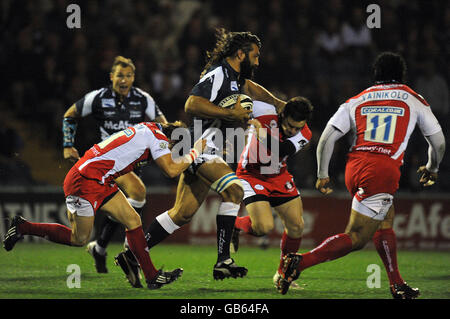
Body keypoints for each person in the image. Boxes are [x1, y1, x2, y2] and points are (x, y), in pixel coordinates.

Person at [115, 28, 287, 286]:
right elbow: (191, 104)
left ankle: (131, 255)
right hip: (200, 147)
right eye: (255, 55)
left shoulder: (235, 78)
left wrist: (278, 103)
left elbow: (250, 87)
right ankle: (223, 261)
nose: (258, 61)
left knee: (181, 213)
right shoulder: (218, 73)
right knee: (234, 191)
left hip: (205, 149)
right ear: (241, 54)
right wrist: (230, 115)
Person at [277, 52, 446, 299]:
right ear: (402, 76)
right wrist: (433, 167)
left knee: (385, 218)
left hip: (355, 167)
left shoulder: (356, 99)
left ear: (375, 75)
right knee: (356, 237)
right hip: (381, 171)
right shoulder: (413, 98)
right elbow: (438, 142)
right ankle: (300, 262)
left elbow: (327, 137)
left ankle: (396, 284)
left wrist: (322, 174)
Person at [3, 121, 206, 289]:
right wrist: (194, 153)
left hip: (100, 179)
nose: (171, 153)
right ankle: (22, 226)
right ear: (172, 141)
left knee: (133, 220)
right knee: (79, 238)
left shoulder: (150, 128)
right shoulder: (159, 139)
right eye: (174, 149)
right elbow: (171, 171)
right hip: (85, 181)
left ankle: (152, 277)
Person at [62, 56, 168, 273]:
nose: (124, 80)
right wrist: (67, 144)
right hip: (107, 162)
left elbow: (163, 124)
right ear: (111, 77)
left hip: (133, 164)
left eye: (129, 76)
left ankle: (100, 247)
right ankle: (130, 251)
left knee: (131, 202)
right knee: (138, 192)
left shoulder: (143, 98)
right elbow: (70, 115)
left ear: (134, 78)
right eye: (120, 75)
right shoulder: (98, 98)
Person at [231, 97, 313, 289]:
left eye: (297, 128)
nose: (293, 131)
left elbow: (282, 149)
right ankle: (233, 224)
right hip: (251, 174)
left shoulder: (305, 133)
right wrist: (238, 115)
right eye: (290, 126)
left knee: (296, 226)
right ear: (282, 114)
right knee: (263, 228)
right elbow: (240, 98)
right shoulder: (263, 110)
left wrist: (260, 133)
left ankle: (283, 275)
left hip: (277, 175)